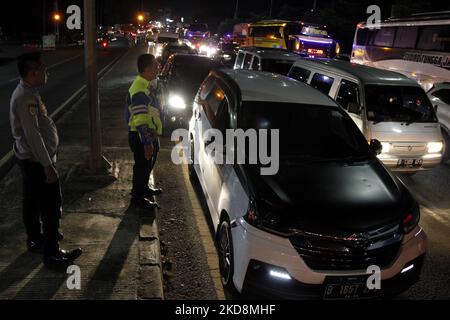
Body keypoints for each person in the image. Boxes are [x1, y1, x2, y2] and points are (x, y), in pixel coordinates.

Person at [10, 51, 82, 268]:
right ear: (32, 73)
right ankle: (52, 254)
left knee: (31, 201)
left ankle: (36, 239)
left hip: (28, 159)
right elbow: (33, 135)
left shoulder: (28, 91)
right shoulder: (25, 97)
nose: (46, 71)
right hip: (36, 161)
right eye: (43, 69)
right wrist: (47, 165)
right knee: (51, 206)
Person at [126, 54, 163, 209]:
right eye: (156, 66)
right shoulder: (140, 89)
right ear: (147, 69)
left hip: (148, 133)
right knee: (142, 166)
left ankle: (144, 189)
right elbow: (140, 120)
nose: (158, 68)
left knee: (147, 164)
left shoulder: (146, 85)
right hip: (141, 135)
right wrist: (147, 142)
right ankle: (137, 198)